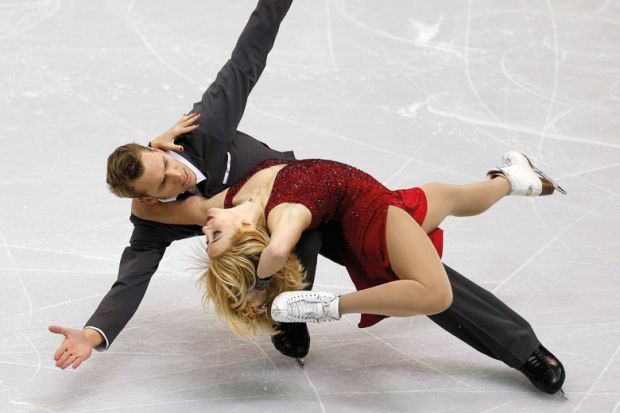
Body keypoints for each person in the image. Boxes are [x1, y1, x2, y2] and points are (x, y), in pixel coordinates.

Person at [48, 0, 564, 395]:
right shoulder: (153, 223)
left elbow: (247, 57)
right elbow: (130, 280)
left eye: (166, 163)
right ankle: (289, 317)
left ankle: (523, 350)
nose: (174, 177)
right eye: (160, 185)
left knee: (409, 272)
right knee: (276, 250)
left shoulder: (203, 131)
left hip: (319, 196)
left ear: (157, 143)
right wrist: (93, 335)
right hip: (286, 223)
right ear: (145, 200)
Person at [132, 152, 566, 394]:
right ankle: (510, 179)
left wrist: (154, 150)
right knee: (437, 256)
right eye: (213, 238)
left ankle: (510, 178)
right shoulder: (281, 217)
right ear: (248, 234)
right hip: (366, 212)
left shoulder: (231, 206)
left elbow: (272, 249)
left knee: (453, 206)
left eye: (207, 237)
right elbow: (143, 205)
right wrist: (260, 288)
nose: (204, 228)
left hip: (368, 207)